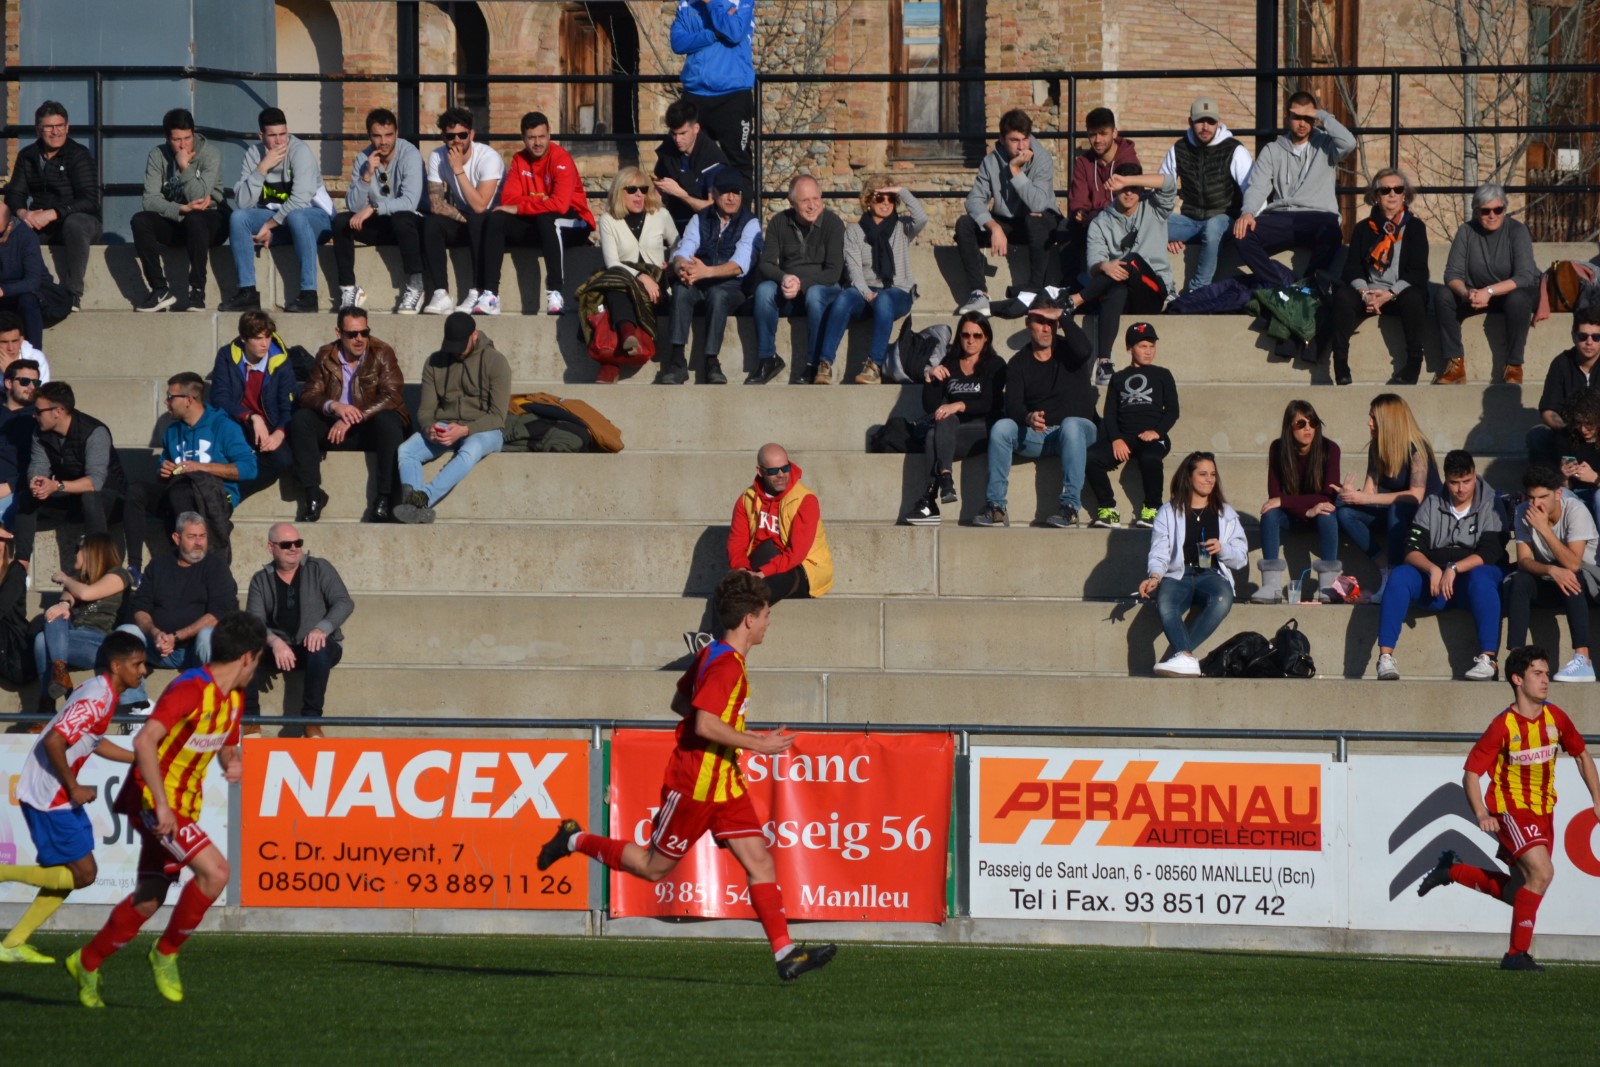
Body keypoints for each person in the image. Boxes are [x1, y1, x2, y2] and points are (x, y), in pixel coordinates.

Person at [536, 569, 836, 983]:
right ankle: (573, 838)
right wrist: (756, 743)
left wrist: (728, 735)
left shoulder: (714, 654)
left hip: (724, 782)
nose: (769, 622)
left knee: (760, 861)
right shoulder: (726, 666)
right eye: (767, 614)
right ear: (749, 619)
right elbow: (703, 723)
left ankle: (786, 953)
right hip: (695, 784)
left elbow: (681, 702)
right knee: (653, 867)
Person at [67, 611, 267, 1009]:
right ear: (247, 657)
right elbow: (145, 742)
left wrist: (233, 761)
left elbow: (226, 745)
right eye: (258, 660)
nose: (256, 668)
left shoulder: (234, 698)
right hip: (153, 799)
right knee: (217, 873)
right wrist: (161, 806)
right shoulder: (191, 688)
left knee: (150, 896)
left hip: (183, 804)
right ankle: (166, 951)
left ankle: (86, 962)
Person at [1416, 645, 1600, 972]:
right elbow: (1471, 774)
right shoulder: (1503, 726)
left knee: (1520, 893)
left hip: (1543, 812)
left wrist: (1597, 800)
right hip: (1510, 811)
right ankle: (1516, 955)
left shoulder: (1556, 718)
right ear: (1517, 679)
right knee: (1542, 873)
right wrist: (1481, 814)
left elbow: (1582, 755)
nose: (1545, 680)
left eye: (1547, 674)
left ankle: (1452, 870)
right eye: (1537, 674)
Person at [0, 630, 144, 966]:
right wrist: (74, 786)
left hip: (57, 791)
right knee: (84, 874)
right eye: (137, 664)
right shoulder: (97, 698)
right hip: (50, 793)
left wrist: (137, 758)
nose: (143, 671)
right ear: (116, 665)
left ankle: (12, 944)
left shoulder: (103, 693)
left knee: (73, 873)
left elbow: (93, 740)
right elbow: (55, 740)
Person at [1373, 450, 1506, 682]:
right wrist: (1432, 569)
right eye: (1454, 483)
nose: (1461, 489)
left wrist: (1454, 568)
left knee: (1482, 577)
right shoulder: (1432, 502)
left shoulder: (1491, 502)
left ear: (1474, 474)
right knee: (1400, 576)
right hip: (1435, 583)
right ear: (1446, 479)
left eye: (1466, 481)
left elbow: (1491, 551)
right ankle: (1385, 657)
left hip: (1470, 581)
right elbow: (1412, 548)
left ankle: (1489, 659)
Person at [974, 296, 1098, 529]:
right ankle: (996, 506)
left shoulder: (1071, 349)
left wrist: (1062, 315)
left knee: (1071, 425)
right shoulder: (1018, 363)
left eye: (1051, 322)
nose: (1046, 328)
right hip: (1041, 436)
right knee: (1002, 428)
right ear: (1027, 323)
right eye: (1040, 321)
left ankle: (1070, 507)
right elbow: (1013, 406)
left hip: (1079, 433)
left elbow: (1086, 350)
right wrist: (1027, 417)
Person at [124, 371, 257, 575]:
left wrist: (202, 467)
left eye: (170, 397)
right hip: (177, 494)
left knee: (182, 492)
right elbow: (163, 474)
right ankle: (134, 569)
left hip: (216, 497)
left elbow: (250, 469)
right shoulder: (172, 431)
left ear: (189, 400)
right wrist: (164, 472)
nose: (166, 402)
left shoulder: (223, 426)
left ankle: (191, 566)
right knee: (136, 491)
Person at [290, 306, 410, 522]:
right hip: (335, 428)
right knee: (301, 420)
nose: (359, 339)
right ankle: (313, 495)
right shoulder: (326, 355)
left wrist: (355, 416)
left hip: (369, 427)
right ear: (339, 333)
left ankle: (384, 498)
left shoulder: (382, 352)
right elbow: (308, 395)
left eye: (364, 332)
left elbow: (393, 395)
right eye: (352, 334)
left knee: (389, 420)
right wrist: (335, 406)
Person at [1138, 451, 1249, 678]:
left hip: (1211, 574)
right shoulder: (1168, 512)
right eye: (1203, 474)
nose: (1209, 479)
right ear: (1189, 477)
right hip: (1178, 574)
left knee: (1222, 599)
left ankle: (1183, 656)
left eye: (1213, 474)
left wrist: (1222, 549)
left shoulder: (1225, 514)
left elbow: (1241, 557)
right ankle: (1186, 657)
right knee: (1165, 603)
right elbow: (1160, 550)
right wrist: (1155, 576)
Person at [394, 312, 510, 524]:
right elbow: (426, 411)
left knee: (471, 448)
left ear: (474, 335)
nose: (456, 352)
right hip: (446, 426)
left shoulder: (496, 362)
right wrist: (429, 428)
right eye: (452, 346)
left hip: (485, 430)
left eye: (460, 347)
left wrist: (465, 430)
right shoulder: (434, 362)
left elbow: (498, 417)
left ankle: (423, 499)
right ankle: (414, 508)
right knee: (406, 450)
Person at [1233, 92, 1356, 289]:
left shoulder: (1326, 145)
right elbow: (1257, 187)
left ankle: (1307, 287)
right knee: (1243, 234)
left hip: (1318, 216)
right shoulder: (1272, 150)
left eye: (1308, 118)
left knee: (1332, 233)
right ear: (1287, 118)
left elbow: (1349, 142)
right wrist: (1247, 212)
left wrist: (1321, 114)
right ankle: (1282, 285)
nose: (1302, 123)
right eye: (1297, 117)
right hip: (1282, 217)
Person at [114, 512, 237, 709]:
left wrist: (176, 636)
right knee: (125, 633)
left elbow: (218, 614)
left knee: (208, 635)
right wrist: (155, 633)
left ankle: (210, 707)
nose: (198, 543)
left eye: (202, 536)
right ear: (177, 538)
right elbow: (140, 608)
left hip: (196, 650)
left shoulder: (217, 567)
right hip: (157, 647)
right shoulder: (158, 565)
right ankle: (135, 708)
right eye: (192, 536)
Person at [1069, 166, 1178, 384]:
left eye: (1133, 188)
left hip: (1154, 293)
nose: (1128, 192)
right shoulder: (1100, 222)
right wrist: (1104, 266)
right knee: (1116, 289)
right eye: (1123, 188)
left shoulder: (1154, 208)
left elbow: (1168, 183)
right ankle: (1104, 363)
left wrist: (1127, 179)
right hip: (1124, 296)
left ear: (1141, 188)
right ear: (1113, 189)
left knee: (1131, 260)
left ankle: (1076, 300)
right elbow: (1093, 265)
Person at [244, 523, 354, 738]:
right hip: (280, 649)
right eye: (286, 544)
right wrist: (274, 641)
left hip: (317, 646)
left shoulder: (319, 568)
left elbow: (344, 602)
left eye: (298, 543)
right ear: (271, 547)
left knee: (319, 648)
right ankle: (251, 722)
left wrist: (322, 628)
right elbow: (254, 621)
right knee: (243, 650)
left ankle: (311, 722)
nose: (294, 548)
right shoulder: (261, 579)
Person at [222, 107, 335, 315]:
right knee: (238, 218)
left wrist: (269, 225)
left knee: (296, 216)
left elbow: (300, 200)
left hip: (316, 219)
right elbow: (243, 203)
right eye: (272, 136)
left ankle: (309, 294)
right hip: (281, 222)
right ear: (261, 136)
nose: (279, 141)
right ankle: (247, 292)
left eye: (283, 134)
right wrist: (262, 169)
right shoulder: (254, 154)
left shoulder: (300, 151)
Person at [815, 176, 928, 385]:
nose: (886, 203)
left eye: (890, 199)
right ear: (867, 201)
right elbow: (854, 270)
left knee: (884, 298)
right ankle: (824, 364)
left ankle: (874, 365)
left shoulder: (902, 227)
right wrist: (867, 294)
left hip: (898, 292)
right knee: (844, 297)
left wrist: (900, 190)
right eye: (879, 198)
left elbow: (921, 218)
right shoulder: (854, 232)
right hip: (865, 291)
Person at [486, 111, 597, 316]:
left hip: (575, 223)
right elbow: (508, 200)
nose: (537, 143)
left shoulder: (561, 159)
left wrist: (522, 206)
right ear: (523, 138)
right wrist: (542, 201)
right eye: (531, 138)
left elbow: (560, 205)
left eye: (541, 137)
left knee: (548, 219)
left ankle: (555, 293)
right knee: (496, 218)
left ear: (549, 135)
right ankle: (490, 295)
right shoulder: (519, 159)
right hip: (537, 221)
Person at [1328, 169, 1430, 386]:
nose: (1392, 194)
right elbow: (1352, 268)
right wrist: (1365, 293)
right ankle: (1340, 362)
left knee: (1414, 297)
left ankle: (1414, 361)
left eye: (1398, 189)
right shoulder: (1363, 228)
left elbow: (1418, 271)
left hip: (1399, 293)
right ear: (1376, 196)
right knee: (1343, 296)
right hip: (1369, 292)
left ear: (1405, 195)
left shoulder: (1415, 227)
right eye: (1385, 190)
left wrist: (1390, 294)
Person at [658, 168, 760, 386]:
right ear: (714, 194)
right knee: (681, 289)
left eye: (736, 193)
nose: (731, 198)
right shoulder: (700, 218)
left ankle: (711, 361)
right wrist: (682, 268)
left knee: (718, 294)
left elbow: (740, 265)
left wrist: (706, 272)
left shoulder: (750, 223)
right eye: (725, 192)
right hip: (699, 282)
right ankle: (677, 360)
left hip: (733, 288)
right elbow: (685, 249)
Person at [902, 312, 1006, 526]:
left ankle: (930, 499)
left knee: (937, 429)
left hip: (984, 429)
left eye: (977, 335)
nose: (971, 340)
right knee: (937, 427)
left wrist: (958, 405)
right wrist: (930, 378)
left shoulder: (995, 364)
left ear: (986, 338)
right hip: (952, 431)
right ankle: (945, 478)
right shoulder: (950, 362)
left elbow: (990, 404)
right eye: (965, 335)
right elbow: (931, 406)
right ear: (959, 337)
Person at [576, 169, 680, 382]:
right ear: (619, 192)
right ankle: (626, 336)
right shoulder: (608, 220)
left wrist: (671, 264)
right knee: (616, 284)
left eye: (643, 189)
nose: (639, 194)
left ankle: (611, 362)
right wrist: (641, 276)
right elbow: (612, 262)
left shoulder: (660, 215)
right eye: (632, 190)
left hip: (655, 288)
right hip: (625, 282)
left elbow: (679, 244)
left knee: (612, 289)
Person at [1334, 393, 1439, 604]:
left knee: (1396, 508)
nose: (1369, 423)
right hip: (1394, 516)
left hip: (1423, 518)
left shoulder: (1417, 449)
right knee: (1344, 511)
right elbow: (1369, 493)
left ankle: (1395, 574)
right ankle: (1385, 569)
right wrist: (1350, 494)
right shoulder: (1377, 447)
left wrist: (1364, 498)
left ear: (1389, 421)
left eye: (1374, 418)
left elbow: (1415, 496)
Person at [953, 109, 1059, 317]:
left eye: (1025, 139)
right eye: (1014, 140)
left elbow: (1038, 204)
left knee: (1035, 219)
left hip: (1040, 220)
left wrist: (1015, 170)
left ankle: (1034, 290)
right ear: (1002, 139)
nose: (1022, 147)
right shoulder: (991, 161)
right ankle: (979, 293)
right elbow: (974, 200)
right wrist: (994, 227)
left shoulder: (1042, 158)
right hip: (1007, 223)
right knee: (964, 224)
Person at [13, 381, 126, 573]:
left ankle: (97, 566)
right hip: (72, 498)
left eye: (38, 411)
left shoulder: (94, 432)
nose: (34, 415)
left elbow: (95, 482)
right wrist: (37, 482)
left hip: (110, 501)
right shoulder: (40, 432)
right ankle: (21, 566)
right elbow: (38, 465)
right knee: (26, 497)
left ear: (58, 411)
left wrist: (56, 486)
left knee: (90, 497)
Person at [1435, 183, 1541, 385]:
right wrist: (1466, 293)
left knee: (1518, 300)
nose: (1492, 215)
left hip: (1514, 292)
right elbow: (1452, 274)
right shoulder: (1466, 231)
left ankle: (1514, 365)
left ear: (1504, 209)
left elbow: (1524, 276)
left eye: (1498, 210)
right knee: (1444, 296)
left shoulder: (1517, 230)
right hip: (1477, 294)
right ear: (1476, 211)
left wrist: (1489, 291)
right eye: (1486, 211)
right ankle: (1455, 364)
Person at [1504, 466, 1600, 683]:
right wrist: (1550, 569)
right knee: (1520, 580)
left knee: (1571, 576)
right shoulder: (1523, 511)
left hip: (1588, 584)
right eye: (1531, 497)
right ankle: (1516, 659)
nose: (1536, 504)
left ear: (1557, 494)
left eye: (1543, 497)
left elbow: (1573, 563)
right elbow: (1524, 560)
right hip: (1551, 579)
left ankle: (1583, 660)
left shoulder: (1575, 511)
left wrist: (1544, 530)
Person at [749, 174, 844, 385]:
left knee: (815, 294)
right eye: (805, 201)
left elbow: (833, 272)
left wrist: (802, 283)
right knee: (764, 291)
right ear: (792, 203)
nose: (812, 206)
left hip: (823, 289)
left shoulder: (833, 223)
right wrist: (784, 278)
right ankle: (767, 358)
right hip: (790, 290)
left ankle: (813, 364)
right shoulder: (779, 222)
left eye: (816, 199)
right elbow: (766, 263)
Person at [6, 101, 100, 313]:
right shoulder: (27, 155)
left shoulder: (79, 154)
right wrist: (24, 213)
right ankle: (19, 291)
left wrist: (54, 213)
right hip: (42, 224)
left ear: (67, 127)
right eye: (49, 127)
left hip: (81, 223)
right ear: (38, 129)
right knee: (11, 226)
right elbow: (15, 194)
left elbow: (90, 200)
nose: (55, 132)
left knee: (74, 223)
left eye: (60, 125)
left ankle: (73, 294)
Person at [332, 107, 427, 314]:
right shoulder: (363, 158)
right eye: (377, 136)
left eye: (388, 135)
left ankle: (416, 286)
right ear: (369, 136)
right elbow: (354, 206)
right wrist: (367, 176)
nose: (383, 142)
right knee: (341, 221)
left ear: (397, 133)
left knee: (402, 218)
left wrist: (374, 208)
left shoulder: (410, 154)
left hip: (411, 224)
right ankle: (349, 289)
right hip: (383, 224)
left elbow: (410, 202)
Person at [130, 107, 225, 313]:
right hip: (178, 218)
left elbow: (199, 196)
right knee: (140, 220)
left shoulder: (210, 153)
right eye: (176, 140)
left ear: (193, 133)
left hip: (210, 220)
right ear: (167, 138)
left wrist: (184, 167)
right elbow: (150, 200)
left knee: (195, 218)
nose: (183, 145)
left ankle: (197, 290)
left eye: (187, 138)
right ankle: (160, 289)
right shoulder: (157, 155)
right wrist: (181, 208)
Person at [1085, 322, 1178, 529]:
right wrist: (1116, 438)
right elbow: (1110, 414)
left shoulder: (1163, 374)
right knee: (1090, 458)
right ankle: (1108, 509)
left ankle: (1153, 508)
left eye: (1152, 346)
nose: (1148, 351)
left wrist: (1157, 431)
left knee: (1150, 458)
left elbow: (1173, 410)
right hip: (1124, 436)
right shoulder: (1118, 378)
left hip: (1152, 436)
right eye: (1143, 346)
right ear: (1129, 349)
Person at [1252, 400, 1343, 604]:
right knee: (1270, 513)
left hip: (1319, 517)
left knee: (1327, 511)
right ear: (1289, 427)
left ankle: (1328, 585)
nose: (1308, 428)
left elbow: (1327, 496)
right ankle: (1271, 586)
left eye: (1313, 422)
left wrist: (1287, 502)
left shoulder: (1330, 449)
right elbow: (1274, 496)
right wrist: (1305, 510)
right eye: (1301, 424)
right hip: (1292, 516)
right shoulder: (1278, 448)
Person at [33, 532, 134, 715]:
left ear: (91, 552)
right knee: (46, 630)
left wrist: (65, 579)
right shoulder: (78, 579)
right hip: (71, 637)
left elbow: (86, 594)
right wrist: (64, 604)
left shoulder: (119, 574)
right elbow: (68, 597)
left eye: (78, 549)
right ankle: (56, 684)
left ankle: (46, 705)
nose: (75, 554)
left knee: (45, 636)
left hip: (99, 642)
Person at [1159, 97, 1251, 294]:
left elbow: (1250, 188)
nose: (1205, 127)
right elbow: (1162, 188)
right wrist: (1166, 234)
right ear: (1190, 122)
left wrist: (1249, 216)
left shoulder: (1234, 149)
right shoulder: (1179, 148)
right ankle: (1162, 289)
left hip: (1225, 220)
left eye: (1211, 121)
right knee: (1149, 223)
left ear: (1218, 122)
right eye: (1200, 121)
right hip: (1190, 221)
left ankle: (1198, 291)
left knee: (1213, 226)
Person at [420, 107, 506, 316]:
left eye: (462, 135)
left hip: (492, 222)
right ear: (444, 137)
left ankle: (478, 290)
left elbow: (480, 205)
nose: (457, 141)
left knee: (478, 218)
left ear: (471, 135)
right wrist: (462, 216)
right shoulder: (437, 156)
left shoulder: (488, 157)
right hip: (467, 218)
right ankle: (441, 293)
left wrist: (458, 169)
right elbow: (436, 204)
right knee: (432, 223)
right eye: (451, 136)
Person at [207, 310, 297, 500]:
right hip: (237, 419)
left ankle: (231, 494)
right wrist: (251, 417)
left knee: (283, 459)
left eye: (268, 337)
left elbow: (288, 406)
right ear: (243, 338)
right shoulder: (227, 355)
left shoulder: (281, 361)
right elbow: (219, 398)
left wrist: (279, 432)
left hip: (271, 423)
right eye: (257, 338)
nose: (265, 344)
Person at [727, 443, 833, 602]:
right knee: (729, 589)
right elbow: (737, 543)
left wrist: (762, 574)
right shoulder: (746, 499)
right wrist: (742, 570)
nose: (781, 474)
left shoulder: (805, 500)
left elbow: (796, 554)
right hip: (762, 561)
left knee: (756, 593)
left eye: (785, 468)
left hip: (802, 567)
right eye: (773, 471)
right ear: (760, 471)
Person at [671, 0, 756, 184]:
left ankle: (741, 205)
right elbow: (678, 43)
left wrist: (712, 3)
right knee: (693, 161)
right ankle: (697, 203)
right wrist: (714, 34)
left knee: (738, 162)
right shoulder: (686, 3)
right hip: (695, 94)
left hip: (733, 96)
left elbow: (734, 33)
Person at [1064, 107, 1139, 285]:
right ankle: (1070, 284)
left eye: (1103, 133)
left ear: (1114, 132)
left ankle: (1096, 282)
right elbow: (1078, 197)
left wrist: (1097, 213)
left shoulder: (1128, 159)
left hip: (1121, 221)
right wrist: (1080, 211)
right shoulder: (1084, 162)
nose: (1097, 140)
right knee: (1065, 227)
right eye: (1092, 134)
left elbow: (1127, 200)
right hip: (1092, 221)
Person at [1526, 310, 1600, 468]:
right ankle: (1551, 482)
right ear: (1574, 336)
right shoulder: (1561, 364)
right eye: (1583, 336)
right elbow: (1548, 410)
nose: (1589, 342)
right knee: (1537, 435)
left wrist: (1592, 429)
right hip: (1569, 435)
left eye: (1596, 337)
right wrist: (1571, 430)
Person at [652, 98, 730, 230]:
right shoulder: (668, 150)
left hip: (706, 227)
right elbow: (658, 191)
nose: (678, 139)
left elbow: (715, 209)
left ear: (696, 128)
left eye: (683, 133)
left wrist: (682, 195)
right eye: (674, 134)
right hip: (672, 223)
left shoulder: (713, 160)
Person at [0, 200, 49, 348]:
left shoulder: (26, 237)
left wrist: (3, 290)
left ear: (10, 225)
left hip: (30, 293)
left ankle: (34, 355)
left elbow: (33, 281)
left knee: (27, 300)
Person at [0, 356, 39, 525]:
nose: (31, 387)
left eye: (36, 383)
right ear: (8, 383)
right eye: (25, 381)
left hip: (14, 490)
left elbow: (44, 465)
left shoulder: (38, 419)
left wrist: (10, 486)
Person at [1554, 388, 1600, 518]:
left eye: (1589, 423)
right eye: (1578, 423)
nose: (1583, 429)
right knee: (1561, 495)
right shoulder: (1566, 437)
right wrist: (1564, 477)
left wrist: (1595, 478)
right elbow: (1566, 487)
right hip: (1577, 493)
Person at [0, 310, 51, 383]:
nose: (10, 348)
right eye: (4, 342)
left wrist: (10, 372)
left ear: (21, 340)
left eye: (15, 341)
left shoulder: (36, 358)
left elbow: (41, 390)